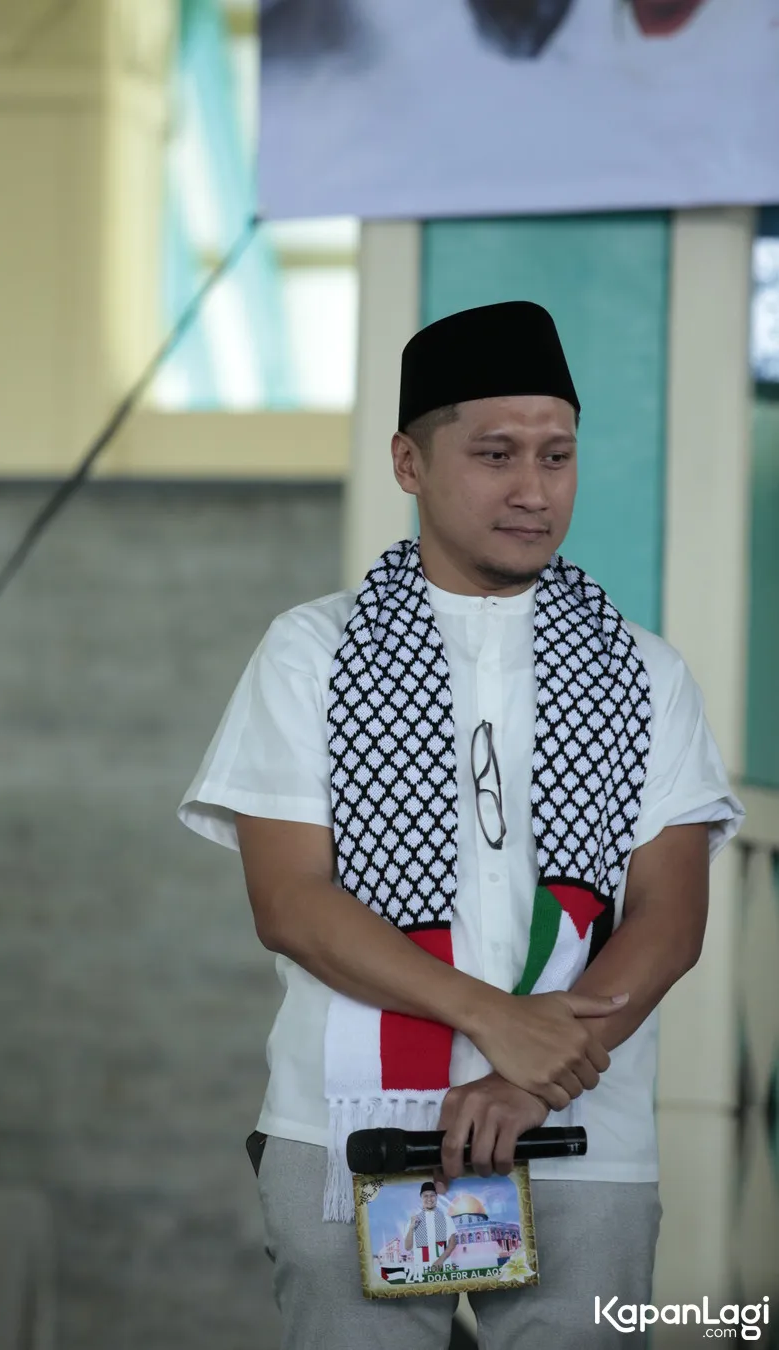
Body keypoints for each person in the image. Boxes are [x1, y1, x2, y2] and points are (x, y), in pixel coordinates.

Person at [178, 300, 746, 1348]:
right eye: (495, 454)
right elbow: (290, 901)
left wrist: (534, 1075)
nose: (533, 489)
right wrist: (494, 1018)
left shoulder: (643, 671)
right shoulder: (314, 653)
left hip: (582, 1136)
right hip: (349, 1130)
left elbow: (669, 920)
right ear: (409, 462)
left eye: (556, 455)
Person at [403, 1182, 458, 1276]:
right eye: (426, 1196)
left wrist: (440, 1261)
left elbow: (452, 1243)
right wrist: (411, 1228)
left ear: (436, 1197)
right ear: (421, 1197)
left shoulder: (446, 1219)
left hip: (443, 1268)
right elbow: (408, 1247)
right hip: (422, 1270)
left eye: (432, 1195)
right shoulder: (414, 1220)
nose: (429, 1199)